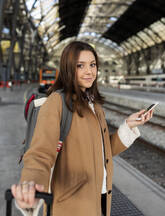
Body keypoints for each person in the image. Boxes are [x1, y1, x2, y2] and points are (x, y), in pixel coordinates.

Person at [11, 41, 153, 216]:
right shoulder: (57, 102)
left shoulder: (95, 106)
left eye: (92, 64)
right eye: (80, 65)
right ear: (68, 68)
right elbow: (40, 152)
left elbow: (102, 151)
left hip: (99, 200)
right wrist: (30, 185)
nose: (89, 71)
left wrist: (128, 126)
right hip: (71, 206)